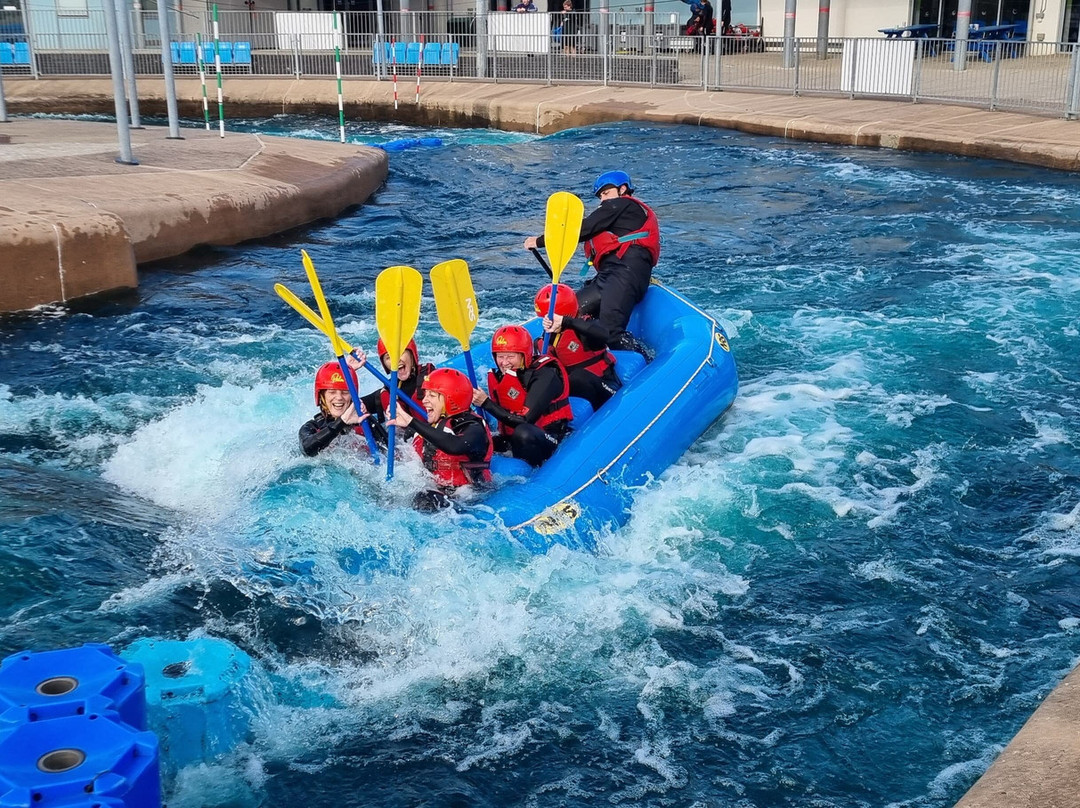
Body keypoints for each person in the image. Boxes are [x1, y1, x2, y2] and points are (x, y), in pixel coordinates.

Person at [523, 170, 660, 357]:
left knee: (610, 332)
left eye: (606, 193)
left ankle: (646, 360)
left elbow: (582, 229)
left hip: (625, 275)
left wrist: (539, 241)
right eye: (600, 196)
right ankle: (568, 358)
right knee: (571, 313)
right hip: (608, 276)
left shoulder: (623, 204)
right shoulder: (616, 213)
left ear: (622, 189)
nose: (603, 199)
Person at [386, 367, 493, 512]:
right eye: (425, 394)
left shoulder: (474, 428)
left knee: (426, 499)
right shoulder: (432, 427)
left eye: (431, 395)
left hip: (468, 496)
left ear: (451, 398)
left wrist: (411, 421)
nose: (424, 400)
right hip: (439, 489)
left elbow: (455, 446)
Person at [473, 324, 573, 468]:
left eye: (510, 356)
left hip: (548, 436)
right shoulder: (502, 375)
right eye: (500, 356)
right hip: (512, 437)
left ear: (524, 355)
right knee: (477, 441)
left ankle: (534, 472)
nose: (504, 362)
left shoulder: (545, 375)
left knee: (523, 432)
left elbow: (525, 420)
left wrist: (485, 403)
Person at [534, 283, 621, 410]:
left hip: (604, 385)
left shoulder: (586, 329)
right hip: (574, 390)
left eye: (548, 317)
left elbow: (604, 334)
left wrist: (566, 321)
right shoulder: (548, 336)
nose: (546, 320)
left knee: (578, 376)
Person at [347, 338, 434, 439]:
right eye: (388, 357)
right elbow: (346, 406)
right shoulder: (389, 390)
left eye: (400, 353)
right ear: (385, 364)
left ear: (411, 354)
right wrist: (348, 371)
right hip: (406, 444)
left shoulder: (433, 378)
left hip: (437, 438)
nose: (395, 360)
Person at [299, 361, 375, 457]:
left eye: (345, 392)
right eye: (332, 392)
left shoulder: (366, 422)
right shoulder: (313, 427)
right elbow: (307, 450)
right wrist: (342, 421)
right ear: (322, 396)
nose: (339, 397)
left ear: (352, 396)